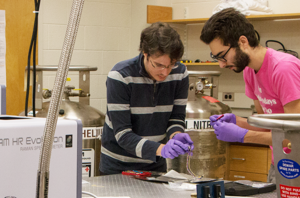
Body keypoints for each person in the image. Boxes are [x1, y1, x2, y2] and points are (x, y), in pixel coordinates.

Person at [200, 8, 300, 183]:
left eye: (223, 56)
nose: (222, 65)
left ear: (243, 42)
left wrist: (242, 135)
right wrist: (238, 122)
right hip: (281, 164)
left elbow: (293, 137)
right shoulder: (249, 71)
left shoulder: (284, 69)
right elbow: (268, 125)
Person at [99, 22, 194, 175]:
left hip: (154, 163)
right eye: (159, 65)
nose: (165, 72)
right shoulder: (121, 76)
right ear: (145, 53)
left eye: (171, 65)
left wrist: (176, 135)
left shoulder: (180, 73)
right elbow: (123, 135)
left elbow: (175, 118)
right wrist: (162, 149)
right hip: (118, 166)